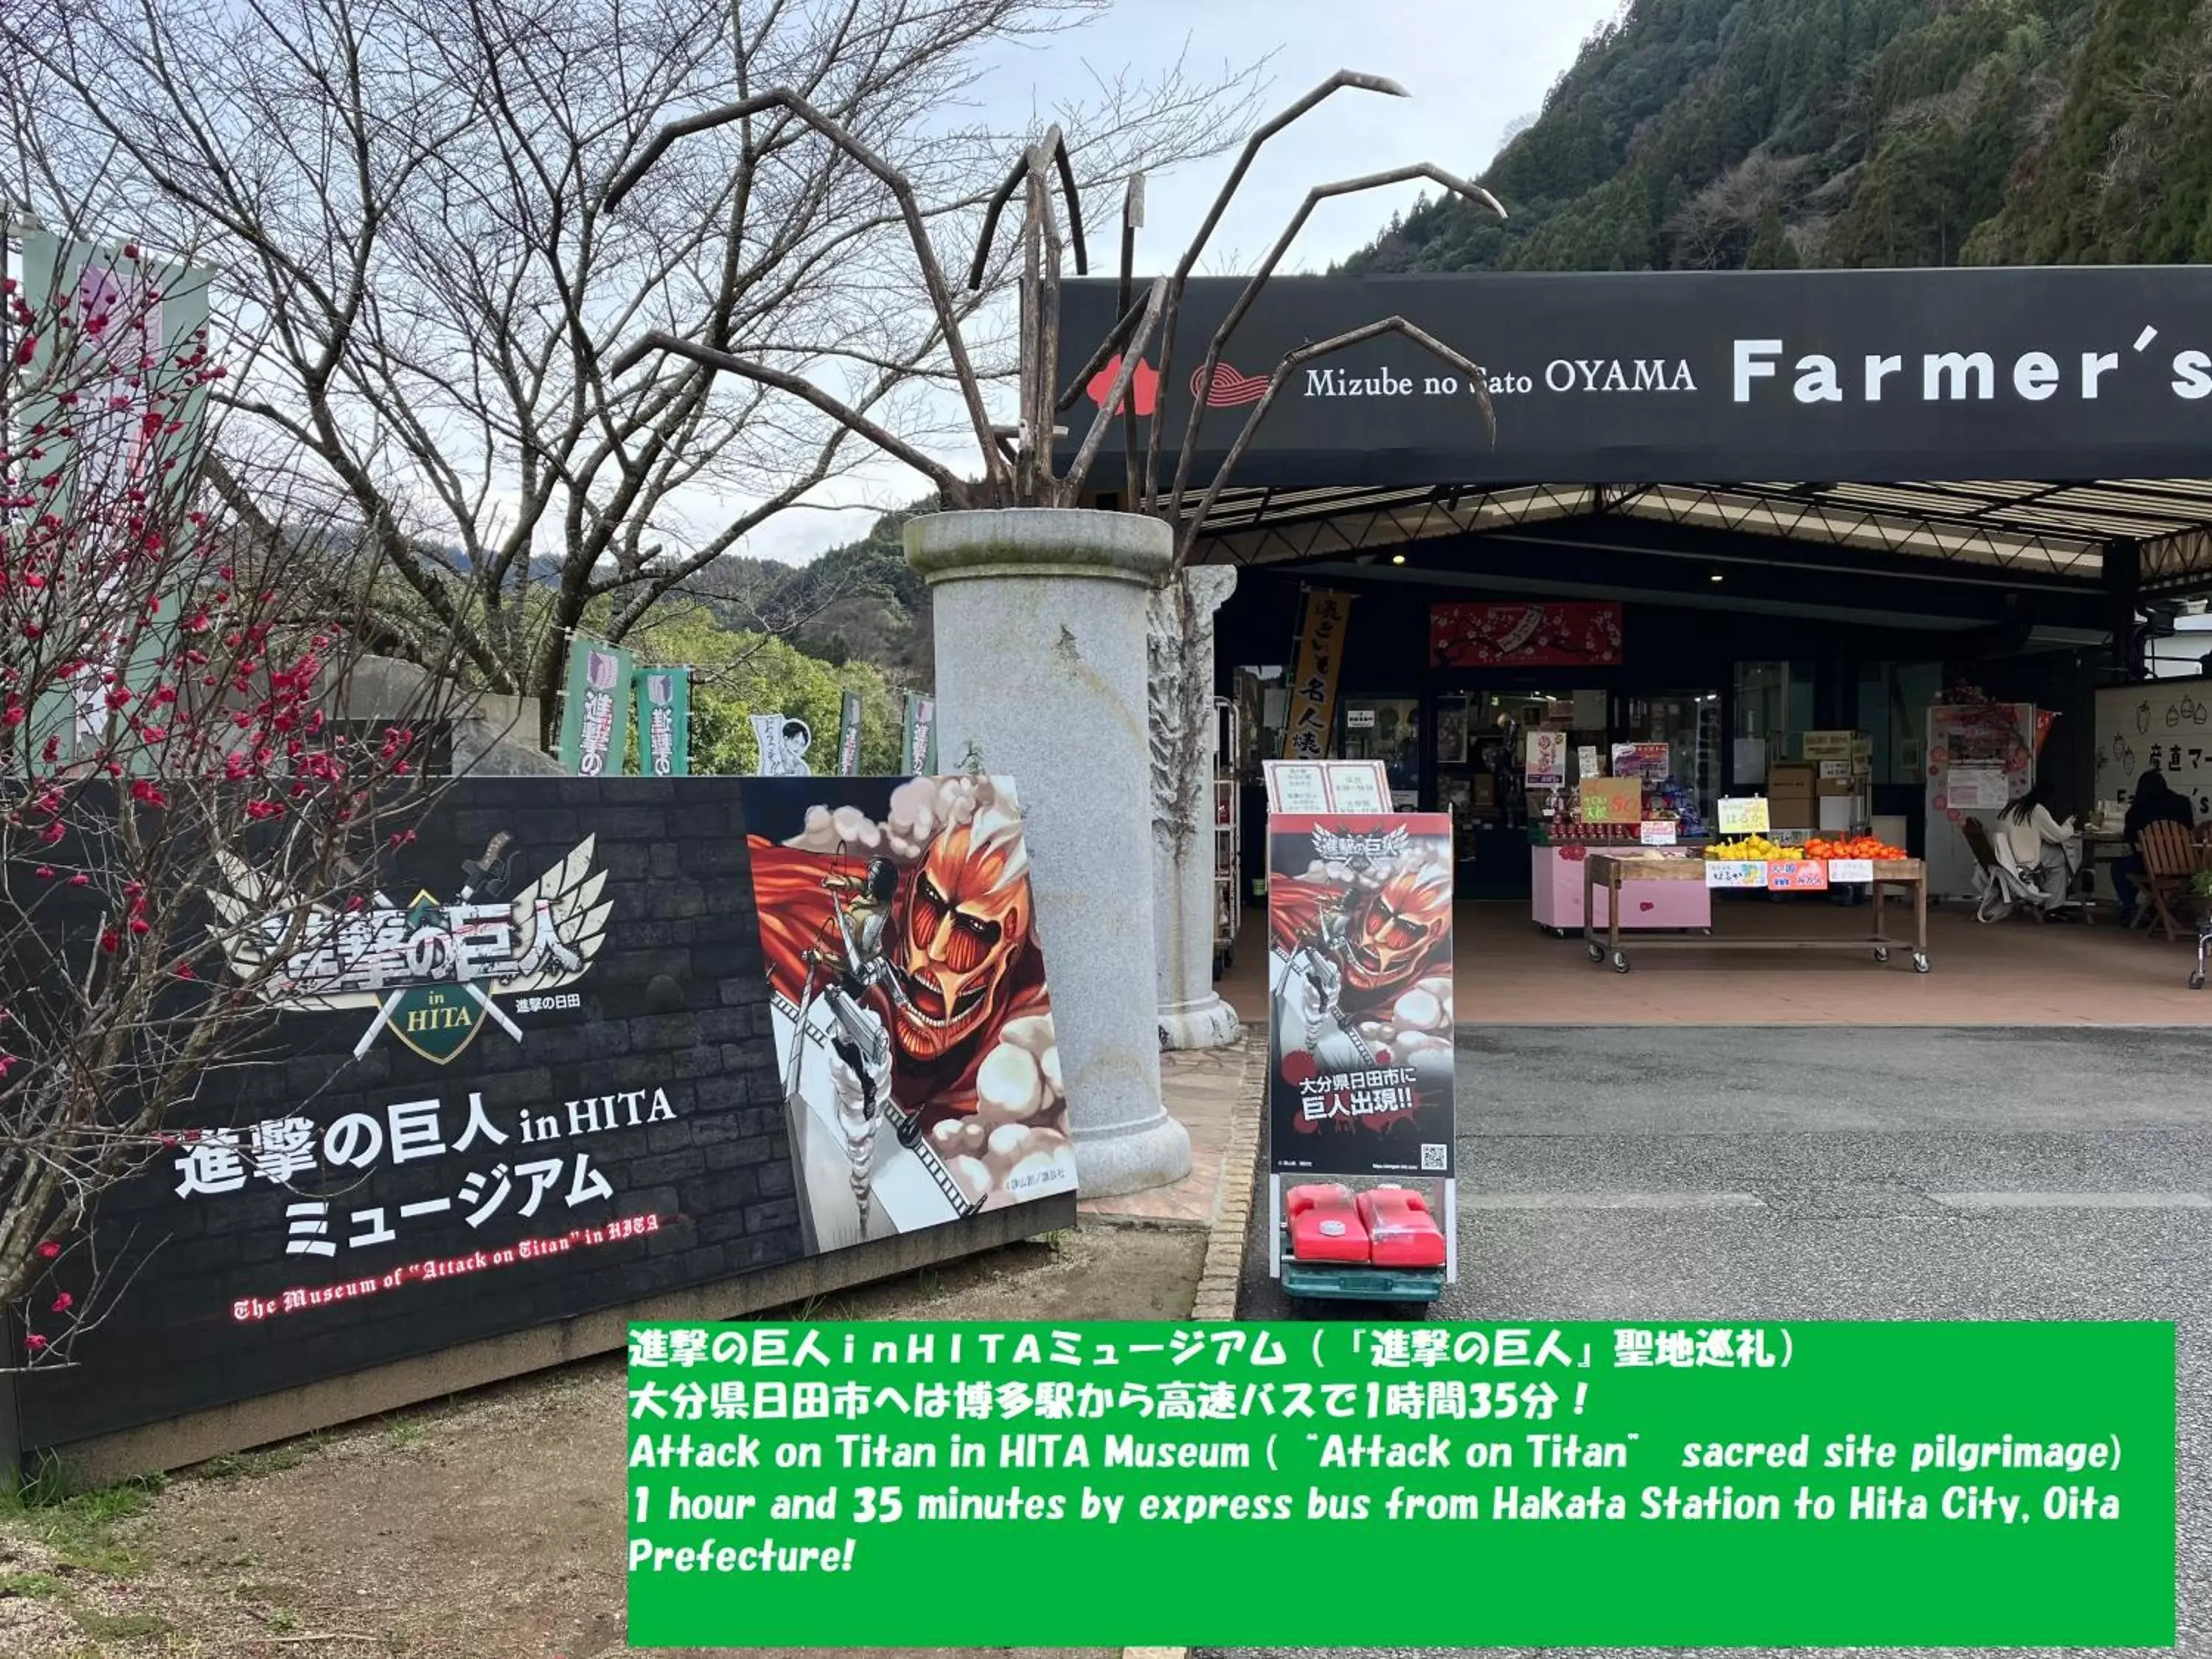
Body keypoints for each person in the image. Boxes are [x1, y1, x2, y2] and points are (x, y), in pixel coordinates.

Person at [2112, 769, 2195, 925]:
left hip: (2152, 867)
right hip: (2183, 866)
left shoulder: (2138, 809)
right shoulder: (2182, 803)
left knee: (2119, 866)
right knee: (2140, 866)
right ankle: (2157, 907)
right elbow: (2189, 828)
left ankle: (2130, 907)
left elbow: (2130, 836)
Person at [1995, 782, 2081, 909]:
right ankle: (2054, 905)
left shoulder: (2013, 807)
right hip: (2021, 857)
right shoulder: (2036, 810)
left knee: (2051, 860)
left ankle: (2047, 892)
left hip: (2006, 855)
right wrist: (2069, 824)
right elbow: (2057, 835)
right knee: (2060, 858)